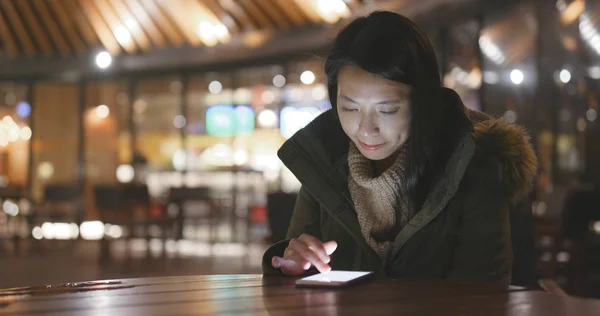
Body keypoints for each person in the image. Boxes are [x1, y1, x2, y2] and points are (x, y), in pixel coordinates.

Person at [262, 11, 538, 285]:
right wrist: (293, 264)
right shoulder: (323, 159)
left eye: (388, 110)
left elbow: (484, 294)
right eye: (350, 107)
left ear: (422, 103)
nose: (366, 128)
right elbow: (297, 275)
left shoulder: (473, 161)